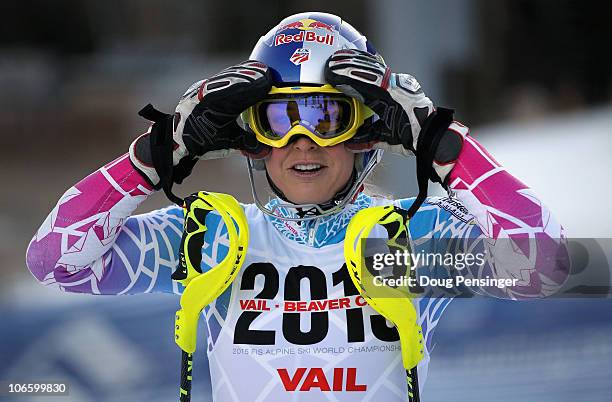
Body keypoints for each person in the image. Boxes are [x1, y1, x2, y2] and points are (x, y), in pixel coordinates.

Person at [25, 12, 568, 402]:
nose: (302, 143)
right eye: (279, 122)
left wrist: (438, 140)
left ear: (368, 133)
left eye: (328, 119)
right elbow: (57, 262)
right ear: (254, 140)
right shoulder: (208, 238)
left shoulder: (408, 239)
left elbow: (546, 266)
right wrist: (156, 154)